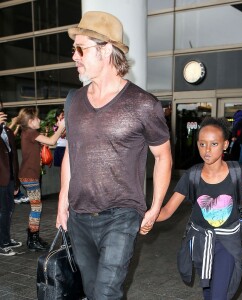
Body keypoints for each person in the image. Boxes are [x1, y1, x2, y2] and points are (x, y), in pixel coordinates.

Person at [56, 11, 172, 300]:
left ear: (105, 49)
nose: (75, 56)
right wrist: (62, 202)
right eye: (74, 49)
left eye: (80, 48)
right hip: (80, 216)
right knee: (94, 293)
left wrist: (155, 206)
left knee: (106, 293)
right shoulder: (73, 101)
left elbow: (163, 157)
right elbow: (73, 151)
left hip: (122, 214)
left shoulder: (143, 104)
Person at [145, 118, 242, 300]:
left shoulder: (236, 172)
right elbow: (167, 210)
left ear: (225, 144)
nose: (207, 150)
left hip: (228, 243)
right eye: (202, 144)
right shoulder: (192, 176)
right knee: (208, 292)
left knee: (218, 295)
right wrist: (144, 217)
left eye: (213, 144)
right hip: (201, 242)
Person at [14, 107, 65, 251]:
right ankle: (32, 240)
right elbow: (52, 140)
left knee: (36, 207)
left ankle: (33, 237)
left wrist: (56, 131)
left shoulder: (28, 133)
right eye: (37, 118)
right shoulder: (31, 132)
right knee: (37, 207)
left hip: (29, 175)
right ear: (30, 121)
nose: (40, 120)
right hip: (29, 175)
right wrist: (61, 126)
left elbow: (51, 142)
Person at [0, 102, 22, 256]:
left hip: (9, 178)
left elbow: (13, 156)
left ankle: (6, 239)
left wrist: (16, 181)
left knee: (8, 210)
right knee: (1, 211)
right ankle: (1, 244)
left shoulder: (7, 130)